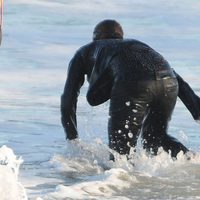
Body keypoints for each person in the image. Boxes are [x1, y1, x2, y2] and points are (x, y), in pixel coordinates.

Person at [61, 19, 200, 158]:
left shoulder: (85, 52)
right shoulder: (137, 45)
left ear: (96, 38)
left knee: (119, 154)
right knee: (155, 139)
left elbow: (68, 101)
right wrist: (196, 109)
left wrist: (72, 140)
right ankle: (193, 160)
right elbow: (172, 74)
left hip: (133, 84)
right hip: (169, 82)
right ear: (120, 37)